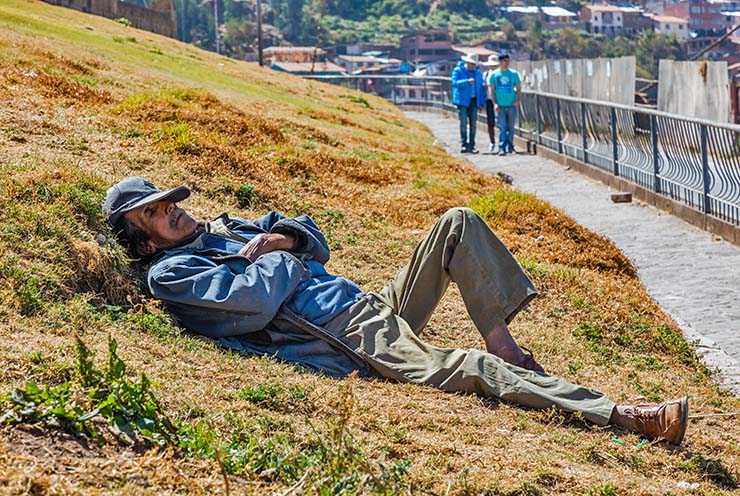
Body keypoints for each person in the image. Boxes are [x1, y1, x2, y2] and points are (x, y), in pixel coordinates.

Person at [102, 177, 690, 445]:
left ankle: (504, 341)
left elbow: (312, 240)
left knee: (456, 222)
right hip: (346, 337)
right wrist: (280, 257)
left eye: (169, 202)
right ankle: (622, 416)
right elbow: (253, 303)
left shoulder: (223, 228)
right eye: (153, 215)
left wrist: (283, 240)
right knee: (470, 371)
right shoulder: (171, 274)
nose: (172, 212)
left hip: (368, 302)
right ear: (144, 241)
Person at [451, 53, 485, 154]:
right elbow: (454, 83)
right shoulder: (458, 71)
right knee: (463, 123)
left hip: (474, 101)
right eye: (471, 63)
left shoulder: (478, 73)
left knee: (473, 124)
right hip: (462, 101)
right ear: (467, 62)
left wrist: (481, 102)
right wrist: (466, 81)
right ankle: (464, 144)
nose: (472, 66)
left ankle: (472, 145)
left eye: (474, 64)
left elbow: (480, 89)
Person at [489, 51, 521, 156]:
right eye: (504, 61)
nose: (506, 63)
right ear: (499, 62)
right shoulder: (494, 75)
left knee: (511, 127)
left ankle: (510, 146)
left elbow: (518, 88)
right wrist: (495, 103)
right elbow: (492, 90)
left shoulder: (514, 74)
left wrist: (518, 99)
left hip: (511, 104)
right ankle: (501, 147)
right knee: (502, 127)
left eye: (507, 61)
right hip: (500, 104)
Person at [481, 55, 499, 153]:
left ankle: (502, 142)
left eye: (495, 65)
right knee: (490, 122)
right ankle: (492, 141)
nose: (493, 67)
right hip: (489, 100)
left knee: (502, 122)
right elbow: (483, 88)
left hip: (500, 101)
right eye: (491, 65)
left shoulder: (501, 74)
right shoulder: (486, 74)